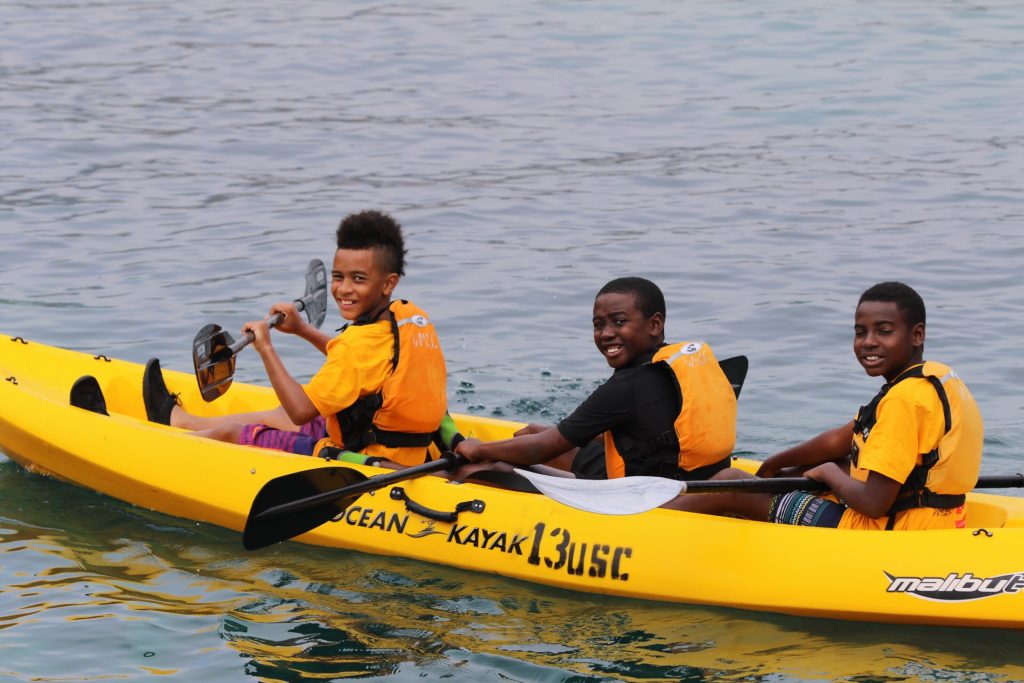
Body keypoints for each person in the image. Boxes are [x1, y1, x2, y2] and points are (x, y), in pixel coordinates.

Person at [141, 209, 452, 467]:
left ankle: (156, 453)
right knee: (282, 416)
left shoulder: (358, 344)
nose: (344, 289)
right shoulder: (405, 319)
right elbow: (363, 365)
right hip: (408, 450)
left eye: (359, 279)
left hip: (368, 461)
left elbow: (301, 410)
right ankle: (183, 423)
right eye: (338, 277)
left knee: (236, 433)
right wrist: (303, 330)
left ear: (388, 283)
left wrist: (266, 348)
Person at [667, 281, 983, 530]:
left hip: (882, 529)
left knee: (732, 484)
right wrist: (775, 465)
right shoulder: (933, 379)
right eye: (860, 332)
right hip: (934, 520)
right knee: (825, 466)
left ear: (917, 335)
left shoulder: (903, 400)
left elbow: (873, 504)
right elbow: (840, 439)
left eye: (884, 331)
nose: (869, 342)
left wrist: (829, 473)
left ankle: (649, 525)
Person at [455, 277, 738, 480]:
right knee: (533, 433)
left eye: (619, 321)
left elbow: (540, 450)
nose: (606, 334)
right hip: (678, 473)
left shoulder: (627, 386)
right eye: (598, 324)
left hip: (648, 496)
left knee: (483, 471)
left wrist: (478, 449)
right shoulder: (674, 365)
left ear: (654, 324)